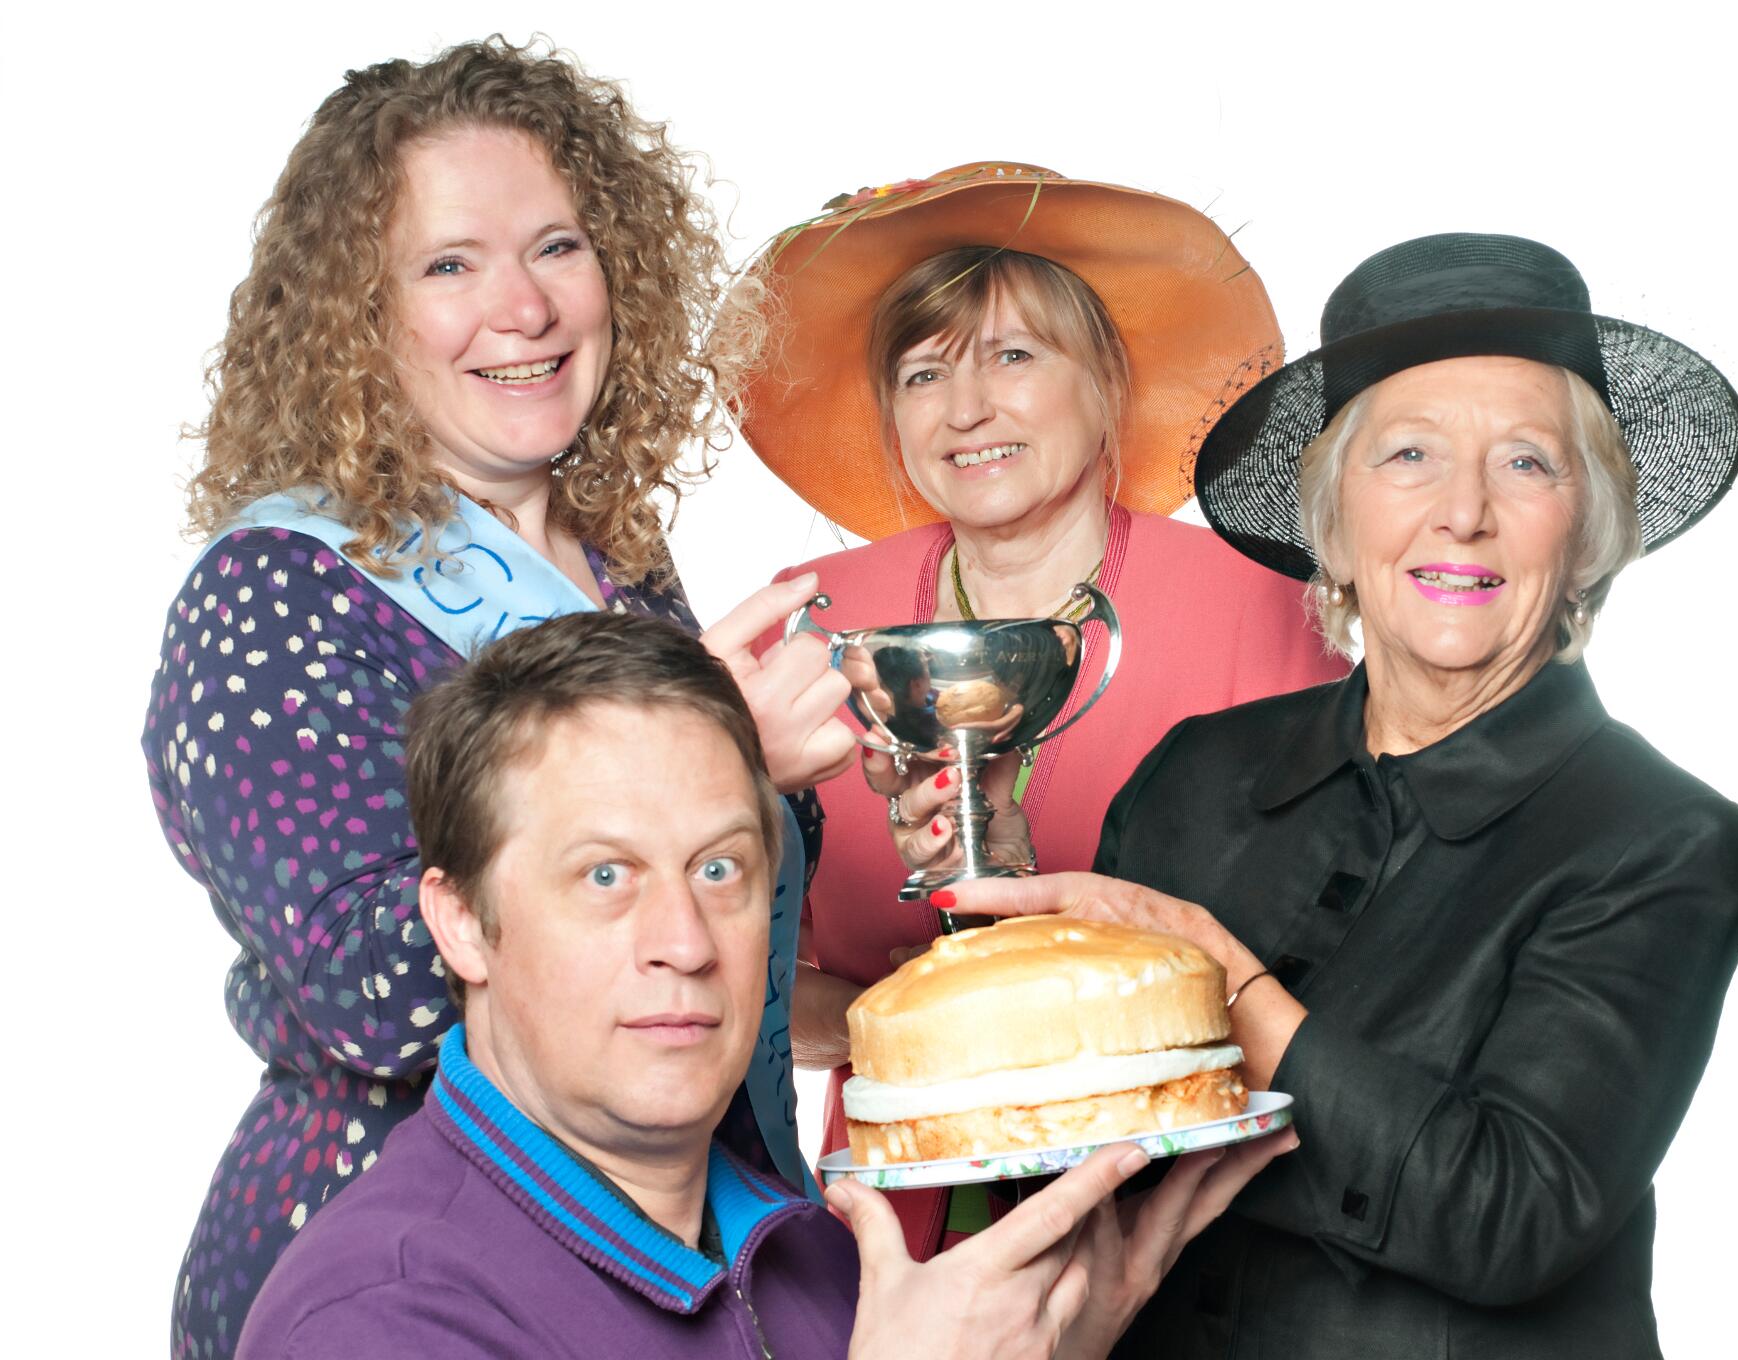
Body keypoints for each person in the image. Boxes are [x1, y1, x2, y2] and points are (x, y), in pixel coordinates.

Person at [145, 39, 854, 1357]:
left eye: (557, 248)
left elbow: (689, 893)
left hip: (676, 1237)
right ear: (355, 317)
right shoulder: (277, 594)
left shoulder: (618, 564)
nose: (521, 308)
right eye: (450, 265)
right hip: (411, 1261)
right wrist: (722, 758)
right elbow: (365, 992)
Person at [943, 232, 1738, 1357]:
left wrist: (1227, 983)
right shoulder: (1196, 773)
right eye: (1409, 454)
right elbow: (1079, 1137)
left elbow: (1511, 1216)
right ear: (1334, 519)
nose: (1463, 511)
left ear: (1586, 531)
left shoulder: (1663, 840)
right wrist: (994, 886)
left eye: (1527, 463)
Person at [237, 610, 1297, 1358]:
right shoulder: (377, 1319)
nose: (684, 943)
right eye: (605, 875)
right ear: (463, 923)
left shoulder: (814, 1256)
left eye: (719, 870)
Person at [736, 164, 1349, 1256]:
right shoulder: (817, 617)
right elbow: (737, 953)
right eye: (924, 373)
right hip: (895, 1222)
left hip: (1197, 1220)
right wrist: (902, 1021)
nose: (965, 408)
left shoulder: (1258, 604)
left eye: (1013, 356)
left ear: (1105, 380)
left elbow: (1343, 952)